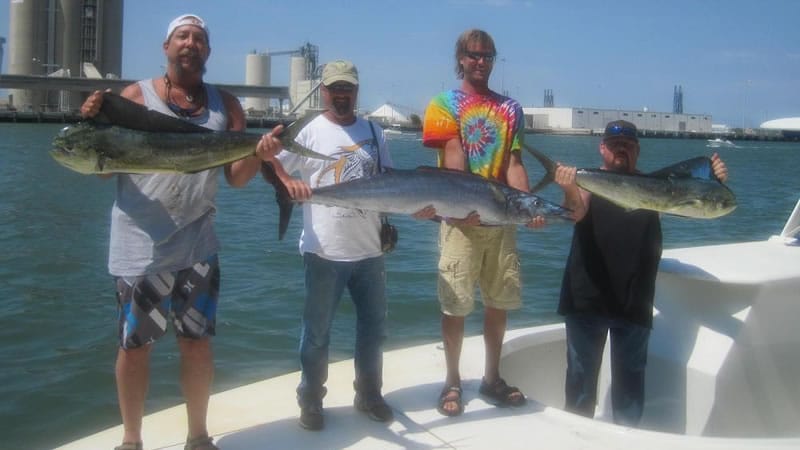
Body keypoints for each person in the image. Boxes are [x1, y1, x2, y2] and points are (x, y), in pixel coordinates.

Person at [79, 14, 283, 450]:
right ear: (166, 47)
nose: (190, 44)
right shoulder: (134, 97)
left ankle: (198, 437)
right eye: (182, 37)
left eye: (199, 39)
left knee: (197, 344)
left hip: (198, 247)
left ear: (207, 51)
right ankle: (132, 441)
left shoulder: (225, 105)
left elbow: (237, 177)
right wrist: (93, 125)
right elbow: (101, 174)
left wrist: (260, 154)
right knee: (135, 348)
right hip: (140, 249)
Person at [553, 119, 729, 426]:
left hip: (634, 303)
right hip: (586, 299)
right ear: (602, 149)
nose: (621, 151)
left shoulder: (658, 189)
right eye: (615, 145)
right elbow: (574, 213)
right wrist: (569, 186)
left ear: (638, 151)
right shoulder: (588, 183)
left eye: (628, 146)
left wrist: (716, 184)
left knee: (629, 395)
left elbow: (697, 209)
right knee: (580, 390)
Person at [264, 59, 394, 431]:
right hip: (324, 251)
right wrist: (288, 181)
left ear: (356, 91)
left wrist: (419, 207)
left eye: (348, 88)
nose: (342, 95)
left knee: (373, 329)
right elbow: (269, 158)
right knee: (317, 331)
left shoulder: (375, 131)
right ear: (323, 90)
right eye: (335, 88)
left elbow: (391, 184)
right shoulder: (308, 130)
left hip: (370, 251)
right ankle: (311, 400)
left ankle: (369, 394)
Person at [419, 29, 543, 417]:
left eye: (487, 56)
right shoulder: (444, 104)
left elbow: (513, 164)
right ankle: (452, 381)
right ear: (460, 58)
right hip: (461, 223)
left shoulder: (511, 109)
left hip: (501, 224)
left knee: (498, 302)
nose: (480, 62)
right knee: (455, 305)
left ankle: (491, 378)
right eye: (473, 55)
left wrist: (528, 209)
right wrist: (460, 210)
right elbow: (454, 159)